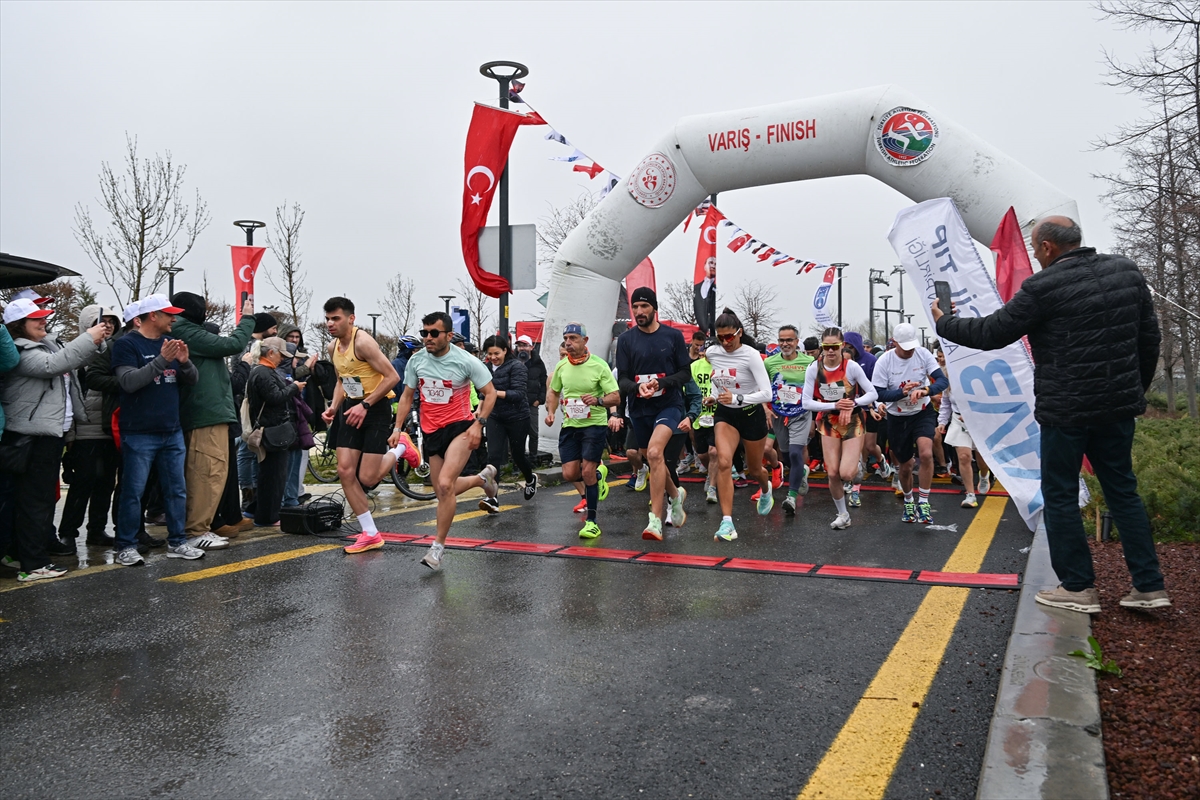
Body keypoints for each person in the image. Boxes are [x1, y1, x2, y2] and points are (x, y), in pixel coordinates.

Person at [933, 215, 1169, 612]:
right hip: (1117, 408)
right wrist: (1133, 393)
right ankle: (1150, 586)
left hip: (1066, 411)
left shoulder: (1043, 286)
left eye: (1035, 247)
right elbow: (1150, 339)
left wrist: (946, 322)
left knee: (1059, 495)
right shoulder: (1127, 272)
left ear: (1047, 247)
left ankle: (1078, 588)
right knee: (1123, 491)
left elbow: (992, 333)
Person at [0, 298, 106, 580]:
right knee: (35, 501)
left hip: (47, 435)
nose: (43, 320)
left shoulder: (46, 345)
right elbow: (52, 365)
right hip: (31, 436)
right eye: (36, 318)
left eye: (44, 316)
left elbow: (76, 357)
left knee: (34, 500)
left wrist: (98, 339)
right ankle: (33, 564)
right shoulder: (21, 350)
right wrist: (89, 337)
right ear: (18, 325)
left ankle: (20, 553)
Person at [393, 311, 498, 570]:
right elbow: (406, 396)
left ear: (449, 335)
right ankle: (482, 479)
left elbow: (490, 393)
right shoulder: (416, 360)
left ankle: (437, 548)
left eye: (434, 333)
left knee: (443, 483)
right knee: (442, 490)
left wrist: (478, 425)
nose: (428, 338)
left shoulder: (465, 360)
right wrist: (397, 428)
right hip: (431, 431)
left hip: (460, 428)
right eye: (424, 333)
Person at [110, 295, 205, 566]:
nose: (174, 318)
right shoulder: (127, 344)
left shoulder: (171, 343)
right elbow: (128, 382)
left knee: (176, 490)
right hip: (139, 431)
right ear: (153, 315)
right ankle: (125, 545)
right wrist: (162, 360)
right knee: (133, 492)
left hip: (171, 430)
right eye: (169, 314)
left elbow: (192, 380)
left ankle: (177, 541)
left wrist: (184, 362)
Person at [170, 292, 257, 549]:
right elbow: (233, 344)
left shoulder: (186, 330)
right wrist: (247, 318)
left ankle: (201, 527)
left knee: (212, 472)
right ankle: (196, 530)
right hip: (205, 415)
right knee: (207, 472)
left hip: (209, 414)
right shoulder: (185, 330)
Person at [319, 297, 405, 554]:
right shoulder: (332, 347)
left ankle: (401, 448)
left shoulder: (363, 343)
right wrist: (334, 406)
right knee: (345, 471)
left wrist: (365, 404)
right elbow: (341, 380)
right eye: (327, 319)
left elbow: (392, 377)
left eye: (336, 318)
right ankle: (370, 533)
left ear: (351, 318)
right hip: (351, 408)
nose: (330, 323)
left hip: (375, 408)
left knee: (367, 478)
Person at [615, 287, 692, 540]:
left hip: (668, 404)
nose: (639, 311)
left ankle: (655, 520)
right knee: (651, 458)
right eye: (635, 307)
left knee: (656, 452)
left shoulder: (673, 336)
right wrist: (637, 388)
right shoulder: (626, 340)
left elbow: (685, 373)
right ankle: (675, 494)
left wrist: (662, 383)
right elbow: (622, 379)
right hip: (640, 407)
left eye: (644, 306)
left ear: (654, 308)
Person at [705, 309, 775, 541]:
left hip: (750, 414)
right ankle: (727, 523)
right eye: (720, 338)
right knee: (724, 462)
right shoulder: (712, 353)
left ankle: (766, 488)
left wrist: (738, 398)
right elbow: (718, 379)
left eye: (729, 337)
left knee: (755, 470)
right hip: (726, 415)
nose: (725, 342)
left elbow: (767, 393)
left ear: (739, 333)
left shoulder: (751, 355)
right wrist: (713, 396)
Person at [544, 323, 619, 539]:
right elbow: (553, 392)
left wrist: (597, 400)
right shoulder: (562, 366)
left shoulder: (599, 365)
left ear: (585, 341)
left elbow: (615, 396)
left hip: (594, 425)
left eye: (573, 338)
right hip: (570, 426)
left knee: (586, 472)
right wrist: (551, 412)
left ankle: (592, 522)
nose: (568, 342)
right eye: (566, 338)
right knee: (569, 474)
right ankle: (598, 475)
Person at [58, 305, 122, 548]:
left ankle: (97, 530)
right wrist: (71, 435)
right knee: (82, 483)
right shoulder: (76, 354)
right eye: (102, 321)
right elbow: (68, 397)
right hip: (85, 431)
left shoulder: (117, 351)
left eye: (112, 322)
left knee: (106, 483)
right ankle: (68, 532)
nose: (108, 326)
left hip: (110, 430)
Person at [802, 328, 879, 529]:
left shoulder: (851, 367)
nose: (830, 351)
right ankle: (843, 514)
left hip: (852, 420)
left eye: (834, 347)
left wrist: (853, 403)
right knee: (833, 473)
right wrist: (834, 405)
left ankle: (856, 464)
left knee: (846, 473)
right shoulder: (814, 368)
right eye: (826, 347)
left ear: (842, 346)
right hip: (828, 421)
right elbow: (806, 402)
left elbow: (872, 393)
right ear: (822, 347)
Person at [871, 322, 948, 525]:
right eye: (905, 347)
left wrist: (926, 391)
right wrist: (901, 393)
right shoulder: (885, 361)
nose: (909, 350)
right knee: (905, 466)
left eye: (912, 346)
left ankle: (924, 502)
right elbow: (877, 393)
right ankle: (908, 501)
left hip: (922, 412)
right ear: (895, 342)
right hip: (897, 417)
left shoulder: (922, 354)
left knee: (926, 453)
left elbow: (942, 381)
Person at [245, 337, 306, 527]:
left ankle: (263, 512)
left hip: (271, 430)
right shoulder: (263, 373)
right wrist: (294, 388)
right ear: (271, 353)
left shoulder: (261, 371)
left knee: (271, 474)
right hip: (272, 430)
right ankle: (268, 516)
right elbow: (274, 397)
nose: (283, 359)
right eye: (281, 355)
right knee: (273, 476)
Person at [764, 324, 815, 515]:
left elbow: (817, 389)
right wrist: (765, 408)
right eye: (781, 340)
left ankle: (791, 497)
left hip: (801, 414)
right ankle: (802, 471)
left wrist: (816, 416)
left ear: (796, 341)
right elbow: (761, 387)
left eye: (789, 340)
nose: (785, 344)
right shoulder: (769, 362)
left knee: (795, 453)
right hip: (779, 414)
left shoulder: (809, 362)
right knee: (786, 456)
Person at [483, 334, 538, 500]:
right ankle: (492, 498)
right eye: (489, 354)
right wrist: (480, 410)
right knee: (493, 457)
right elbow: (482, 393)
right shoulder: (485, 367)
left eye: (496, 353)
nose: (493, 357)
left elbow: (519, 394)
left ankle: (530, 478)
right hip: (495, 416)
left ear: (505, 351)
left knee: (518, 455)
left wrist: (494, 393)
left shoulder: (517, 367)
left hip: (517, 417)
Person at [936, 375, 991, 509]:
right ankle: (970, 494)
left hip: (979, 420)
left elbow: (989, 401)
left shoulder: (978, 376)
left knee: (982, 460)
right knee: (964, 456)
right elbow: (946, 403)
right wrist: (942, 422)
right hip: (958, 421)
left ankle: (984, 475)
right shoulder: (949, 379)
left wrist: (971, 414)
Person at [689, 340, 718, 503]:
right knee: (702, 454)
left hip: (718, 415)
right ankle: (711, 473)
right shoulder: (694, 366)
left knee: (714, 451)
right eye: (705, 350)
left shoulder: (722, 366)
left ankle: (712, 487)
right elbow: (688, 388)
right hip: (700, 416)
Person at [515, 334, 547, 461]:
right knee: (518, 433)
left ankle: (533, 458)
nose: (522, 348)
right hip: (516, 403)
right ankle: (518, 459)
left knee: (533, 432)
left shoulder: (538, 363)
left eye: (525, 345)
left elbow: (544, 382)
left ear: (531, 347)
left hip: (532, 403)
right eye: (519, 346)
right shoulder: (513, 361)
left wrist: (540, 400)